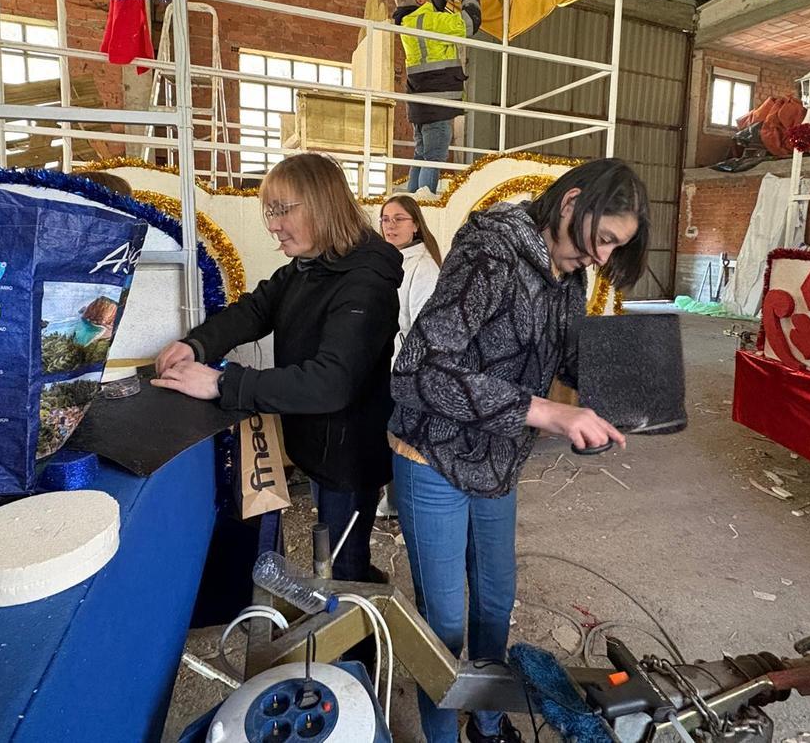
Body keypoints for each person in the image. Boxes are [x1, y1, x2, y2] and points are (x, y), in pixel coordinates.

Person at [388, 159, 650, 743]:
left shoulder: (569, 274)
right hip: (432, 453)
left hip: (498, 457)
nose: (604, 258)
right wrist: (547, 411)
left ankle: (484, 719)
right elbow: (418, 371)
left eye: (616, 247)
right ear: (570, 203)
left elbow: (559, 357)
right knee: (446, 622)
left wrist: (623, 386)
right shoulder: (490, 252)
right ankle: (441, 735)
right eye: (603, 238)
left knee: (495, 602)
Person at [153, 152, 403, 583]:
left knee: (342, 564)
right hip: (317, 443)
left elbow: (331, 383)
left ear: (323, 205)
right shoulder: (308, 267)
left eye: (282, 210)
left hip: (348, 455)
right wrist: (196, 343)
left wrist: (223, 383)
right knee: (330, 550)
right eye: (269, 210)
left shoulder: (365, 280)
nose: (272, 224)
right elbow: (255, 310)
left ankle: (358, 642)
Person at [376, 194, 442, 518]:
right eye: (385, 219)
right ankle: (391, 503)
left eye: (398, 219)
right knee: (390, 436)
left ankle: (406, 507)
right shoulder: (389, 259)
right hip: (386, 364)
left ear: (415, 224)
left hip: (407, 370)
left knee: (405, 440)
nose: (390, 225)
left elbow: (422, 331)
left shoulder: (423, 267)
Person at [393, 0, 481, 196]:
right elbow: (470, 23)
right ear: (420, 1)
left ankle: (413, 200)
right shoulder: (430, 22)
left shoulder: (409, 21)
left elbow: (434, 2)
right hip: (438, 103)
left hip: (420, 103)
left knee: (421, 154)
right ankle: (423, 203)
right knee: (434, 157)